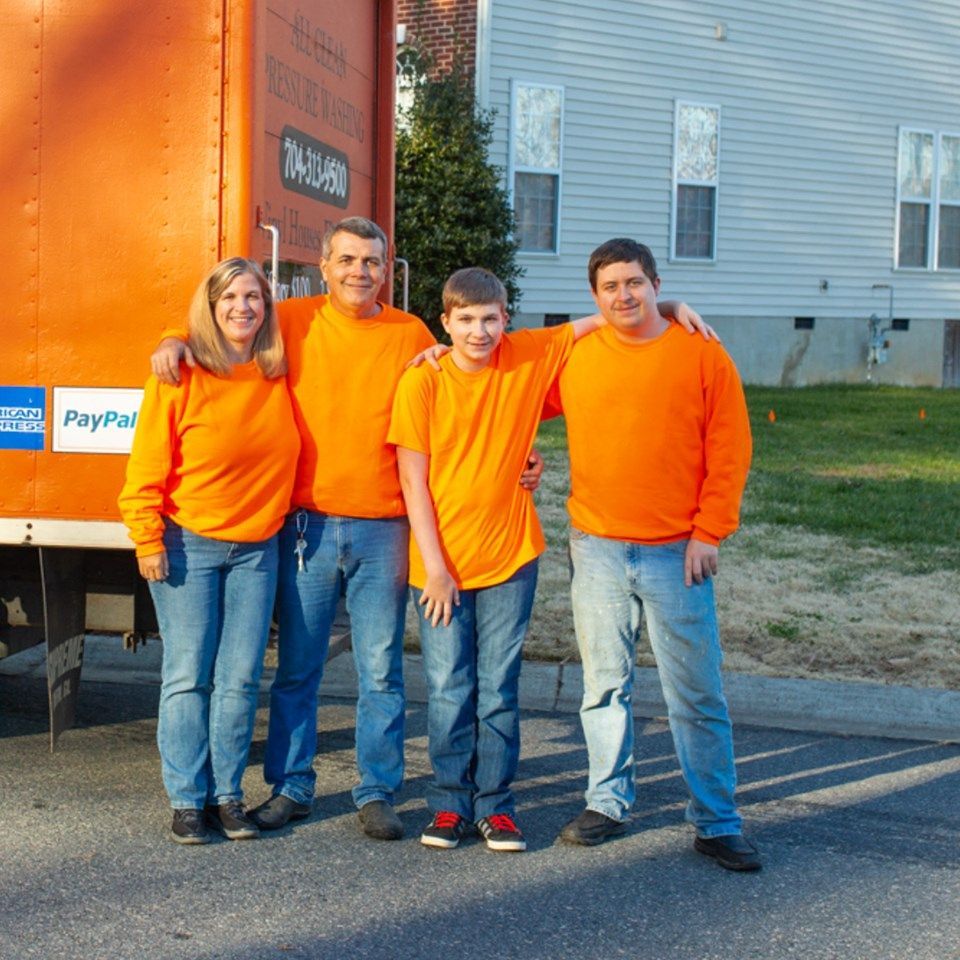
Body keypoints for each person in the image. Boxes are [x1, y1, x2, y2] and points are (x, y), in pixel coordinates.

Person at [150, 218, 541, 841]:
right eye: (349, 260)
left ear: (387, 271)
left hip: (386, 526)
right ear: (324, 266)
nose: (361, 271)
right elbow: (225, 320)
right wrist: (173, 338)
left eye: (373, 261)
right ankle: (291, 786)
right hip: (304, 526)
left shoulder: (413, 333)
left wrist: (523, 456)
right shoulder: (293, 321)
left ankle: (377, 788)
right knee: (298, 667)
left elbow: (465, 402)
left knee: (380, 668)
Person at [547, 238, 759, 871]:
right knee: (603, 685)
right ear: (594, 295)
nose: (623, 295)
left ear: (655, 284)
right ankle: (607, 801)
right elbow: (504, 401)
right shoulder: (576, 356)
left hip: (677, 551)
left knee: (695, 691)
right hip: (598, 548)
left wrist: (709, 531)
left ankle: (716, 820)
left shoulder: (699, 353)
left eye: (634, 283)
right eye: (610, 286)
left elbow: (730, 446)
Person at [388, 267, 615, 851]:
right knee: (447, 686)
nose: (479, 331)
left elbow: (608, 316)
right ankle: (447, 805)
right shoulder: (424, 381)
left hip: (511, 557)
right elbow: (413, 482)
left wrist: (676, 305)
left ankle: (496, 805)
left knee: (498, 687)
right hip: (439, 566)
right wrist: (435, 569)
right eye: (465, 319)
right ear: (446, 322)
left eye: (490, 318)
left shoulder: (528, 355)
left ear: (506, 318)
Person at [119, 258, 299, 845]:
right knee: (188, 675)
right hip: (187, 542)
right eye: (229, 297)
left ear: (267, 306)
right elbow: (146, 465)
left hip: (258, 549)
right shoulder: (180, 374)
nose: (243, 307)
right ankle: (186, 800)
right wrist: (147, 537)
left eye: (253, 296)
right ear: (211, 305)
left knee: (241, 678)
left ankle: (227, 795)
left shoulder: (280, 370)